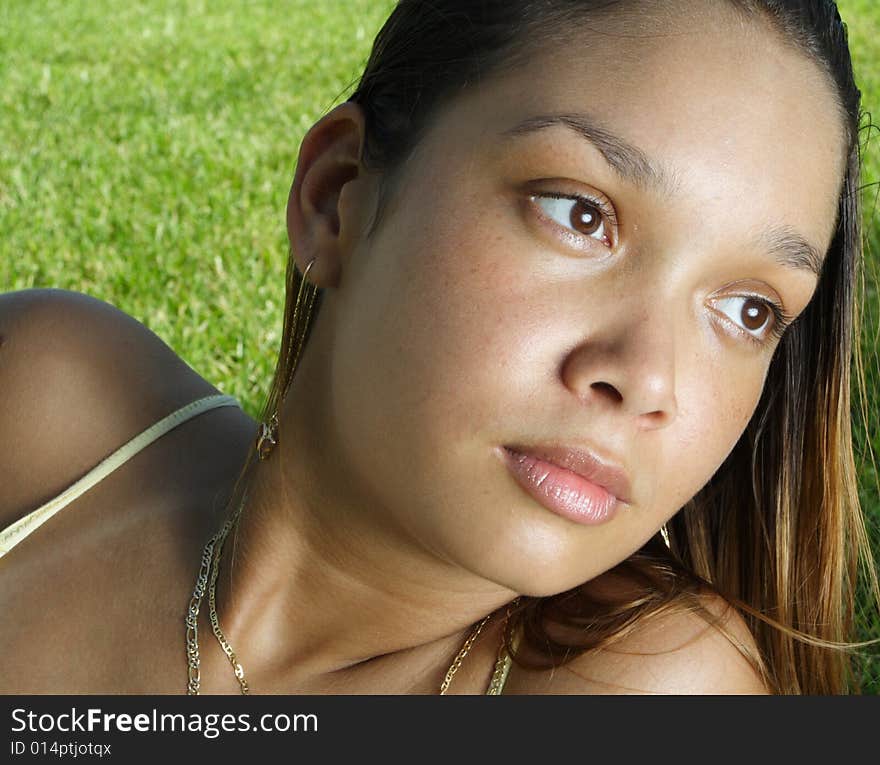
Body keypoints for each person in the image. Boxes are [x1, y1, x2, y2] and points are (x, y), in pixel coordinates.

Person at [0, 0, 877, 694]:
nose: (648, 377)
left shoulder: (652, 688)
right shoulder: (48, 397)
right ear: (337, 195)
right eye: (580, 214)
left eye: (748, 310)